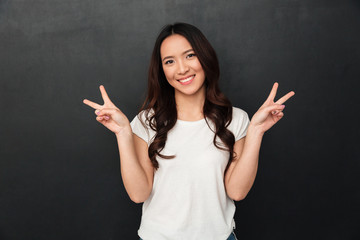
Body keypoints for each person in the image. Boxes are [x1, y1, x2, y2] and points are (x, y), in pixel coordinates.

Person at [83, 22, 295, 240]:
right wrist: (123, 133)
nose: (182, 69)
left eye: (190, 55)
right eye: (170, 61)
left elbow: (237, 191)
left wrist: (256, 131)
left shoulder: (236, 119)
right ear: (162, 70)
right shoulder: (147, 121)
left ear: (205, 57)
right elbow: (138, 194)